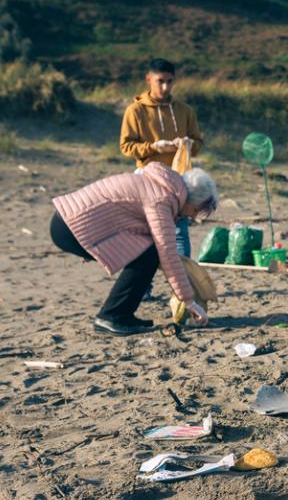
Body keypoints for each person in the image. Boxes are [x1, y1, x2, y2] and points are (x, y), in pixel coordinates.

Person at [50, 163, 218, 336]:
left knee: (148, 251)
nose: (192, 216)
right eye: (195, 210)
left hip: (71, 222)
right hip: (71, 227)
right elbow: (167, 252)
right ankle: (111, 317)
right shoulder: (162, 199)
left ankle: (123, 315)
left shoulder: (163, 186)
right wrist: (189, 301)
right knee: (151, 254)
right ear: (190, 199)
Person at [120, 57, 204, 259]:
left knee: (180, 233)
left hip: (179, 180)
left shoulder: (185, 111)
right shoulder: (135, 110)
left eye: (170, 81)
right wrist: (154, 147)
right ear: (149, 79)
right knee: (146, 233)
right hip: (148, 179)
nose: (165, 87)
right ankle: (144, 279)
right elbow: (126, 147)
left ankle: (184, 278)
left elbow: (198, 144)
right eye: (160, 81)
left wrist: (189, 145)